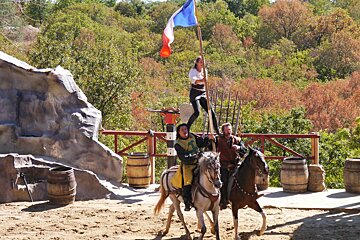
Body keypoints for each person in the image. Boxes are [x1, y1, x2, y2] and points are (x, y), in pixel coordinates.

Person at [171, 123, 214, 211]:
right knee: (188, 182)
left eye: (185, 129)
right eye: (182, 130)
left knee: (212, 172)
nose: (184, 131)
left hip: (199, 162)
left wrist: (208, 139)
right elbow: (184, 157)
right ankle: (188, 202)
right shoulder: (178, 144)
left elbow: (201, 144)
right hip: (188, 165)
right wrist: (195, 156)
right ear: (179, 132)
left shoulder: (192, 136)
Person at [216, 122, 247, 210]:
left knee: (245, 177)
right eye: (226, 130)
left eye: (229, 130)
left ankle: (245, 198)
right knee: (223, 181)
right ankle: (224, 200)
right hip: (223, 165)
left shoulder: (237, 140)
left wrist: (239, 148)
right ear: (223, 131)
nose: (228, 132)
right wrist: (210, 139)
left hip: (236, 164)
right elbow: (210, 145)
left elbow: (244, 150)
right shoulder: (218, 139)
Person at [187, 56, 220, 135]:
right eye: (201, 62)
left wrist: (204, 81)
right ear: (197, 63)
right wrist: (201, 80)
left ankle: (217, 131)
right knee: (197, 112)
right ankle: (187, 127)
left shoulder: (204, 71)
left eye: (203, 62)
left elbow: (205, 81)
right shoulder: (193, 71)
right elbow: (193, 80)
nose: (202, 64)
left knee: (211, 112)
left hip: (203, 92)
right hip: (195, 92)